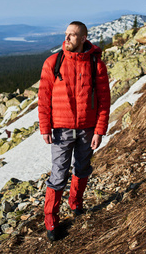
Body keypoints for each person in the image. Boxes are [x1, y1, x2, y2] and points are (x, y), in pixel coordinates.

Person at [38, 21, 110, 241]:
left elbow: (104, 100)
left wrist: (99, 130)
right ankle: (51, 221)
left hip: (88, 129)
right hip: (61, 129)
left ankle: (76, 204)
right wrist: (45, 127)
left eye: (72, 35)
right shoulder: (53, 61)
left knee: (83, 168)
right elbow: (43, 98)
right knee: (58, 175)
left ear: (83, 38)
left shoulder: (96, 63)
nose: (66, 38)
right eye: (66, 34)